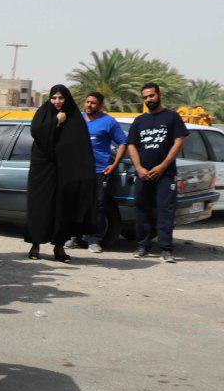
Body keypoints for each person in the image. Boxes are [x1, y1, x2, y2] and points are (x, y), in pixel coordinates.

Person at [24, 85, 95, 262]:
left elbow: (81, 145)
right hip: (42, 169)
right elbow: (36, 132)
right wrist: (56, 121)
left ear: (67, 99)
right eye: (54, 98)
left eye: (61, 98)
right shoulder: (43, 113)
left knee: (64, 208)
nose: (57, 101)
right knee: (40, 206)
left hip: (65, 170)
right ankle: (35, 244)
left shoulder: (74, 117)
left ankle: (59, 247)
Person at [128, 82, 186, 262]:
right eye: (145, 97)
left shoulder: (172, 117)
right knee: (142, 209)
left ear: (160, 95)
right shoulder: (139, 120)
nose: (149, 99)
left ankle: (166, 249)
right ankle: (142, 246)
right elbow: (131, 145)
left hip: (165, 175)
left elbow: (178, 142)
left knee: (165, 211)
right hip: (143, 174)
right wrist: (139, 168)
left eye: (151, 95)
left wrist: (162, 166)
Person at [75, 91, 127, 253]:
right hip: (79, 171)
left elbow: (123, 142)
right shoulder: (78, 118)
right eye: (87, 102)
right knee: (78, 204)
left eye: (93, 103)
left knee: (98, 206)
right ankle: (75, 237)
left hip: (100, 171)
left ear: (101, 105)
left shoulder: (109, 122)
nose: (89, 105)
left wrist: (114, 164)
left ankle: (94, 240)